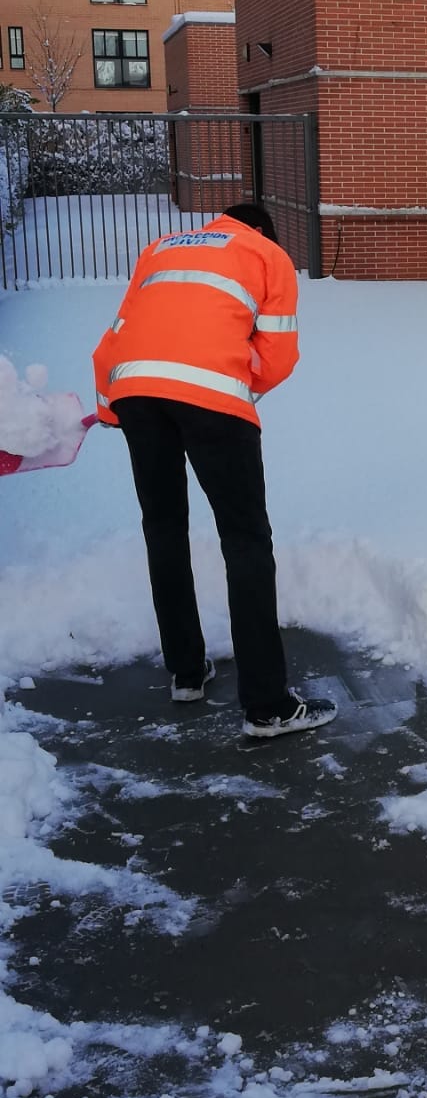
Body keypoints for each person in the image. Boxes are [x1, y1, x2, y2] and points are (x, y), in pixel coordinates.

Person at [92, 202, 335, 739]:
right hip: (213, 401)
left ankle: (186, 672)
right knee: (245, 540)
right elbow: (277, 357)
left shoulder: (159, 250)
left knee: (163, 529)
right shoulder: (267, 255)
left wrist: (113, 407)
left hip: (134, 392)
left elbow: (117, 334)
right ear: (264, 231)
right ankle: (268, 707)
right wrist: (230, 384)